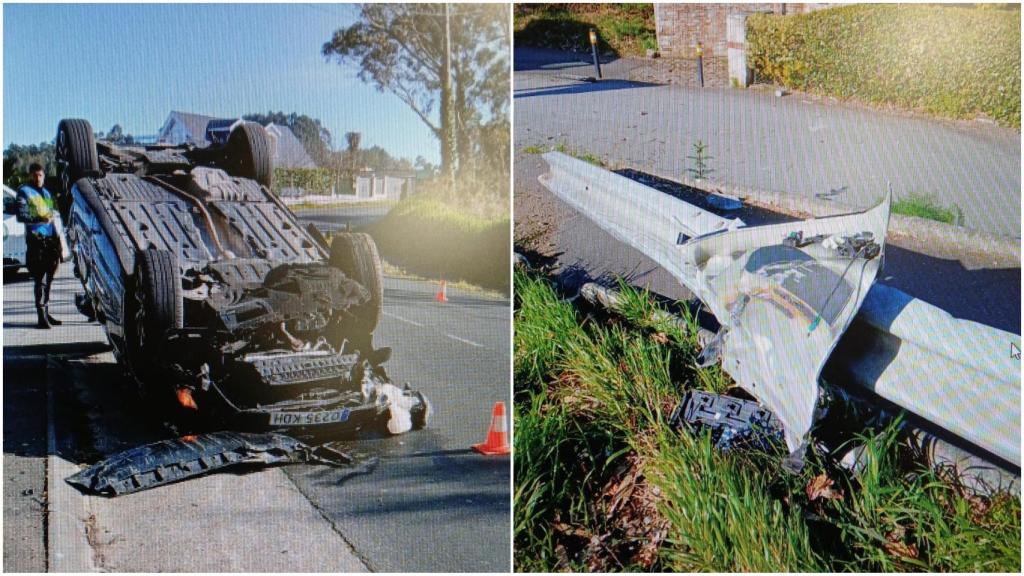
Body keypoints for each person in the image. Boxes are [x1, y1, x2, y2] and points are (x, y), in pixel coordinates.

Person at [16, 163, 64, 329]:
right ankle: (41, 316)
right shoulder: (24, 191)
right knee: (40, 278)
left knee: (49, 278)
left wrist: (59, 240)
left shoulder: (47, 193)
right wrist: (40, 219)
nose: (38, 178)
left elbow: (52, 215)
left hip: (51, 240)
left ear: (44, 175)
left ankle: (46, 312)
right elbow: (21, 216)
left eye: (40, 175)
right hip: (36, 240)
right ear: (30, 175)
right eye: (35, 175)